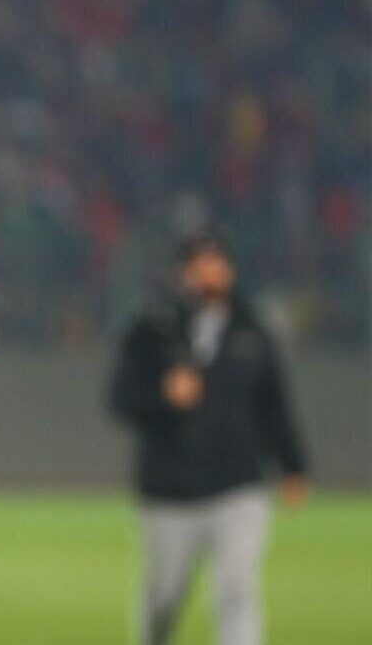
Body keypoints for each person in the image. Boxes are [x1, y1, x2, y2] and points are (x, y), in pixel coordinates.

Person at [108, 231, 309, 645]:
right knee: (164, 596)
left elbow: (274, 406)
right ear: (180, 273)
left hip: (239, 485)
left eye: (216, 262)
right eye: (198, 264)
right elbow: (120, 399)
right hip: (170, 489)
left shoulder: (252, 331)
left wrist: (293, 465)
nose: (208, 273)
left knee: (237, 588)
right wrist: (163, 395)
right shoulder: (151, 331)